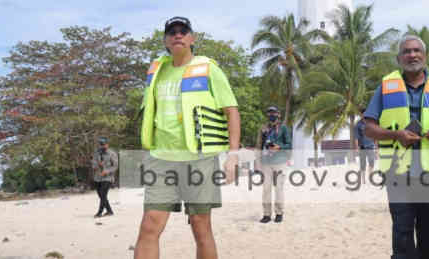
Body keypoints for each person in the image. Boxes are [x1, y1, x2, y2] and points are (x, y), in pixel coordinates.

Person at [134, 17, 241, 259]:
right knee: (149, 225)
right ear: (165, 41)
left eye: (183, 31)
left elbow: (231, 110)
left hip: (199, 159)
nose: (178, 35)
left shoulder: (208, 69)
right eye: (172, 32)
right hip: (161, 160)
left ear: (192, 38)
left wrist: (232, 156)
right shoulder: (157, 71)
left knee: (200, 226)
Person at [364, 34, 429, 259]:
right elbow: (369, 128)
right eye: (406, 51)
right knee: (402, 237)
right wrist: (396, 135)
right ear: (399, 58)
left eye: (416, 50)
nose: (412, 55)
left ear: (425, 55)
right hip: (398, 174)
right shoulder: (386, 86)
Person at [255, 105, 291, 223]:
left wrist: (279, 147)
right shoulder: (263, 128)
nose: (271, 115)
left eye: (273, 113)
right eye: (269, 113)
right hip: (266, 162)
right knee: (266, 189)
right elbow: (259, 145)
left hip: (280, 162)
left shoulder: (284, 128)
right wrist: (257, 162)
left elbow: (289, 145)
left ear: (278, 114)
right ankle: (266, 214)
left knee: (279, 189)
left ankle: (279, 213)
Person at [92, 137, 119, 217]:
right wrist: (96, 166)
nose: (102, 146)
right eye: (101, 144)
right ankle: (109, 211)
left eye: (103, 144)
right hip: (98, 177)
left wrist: (106, 171)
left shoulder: (112, 154)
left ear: (107, 144)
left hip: (108, 178)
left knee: (103, 194)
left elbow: (115, 166)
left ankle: (99, 212)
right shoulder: (96, 153)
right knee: (101, 195)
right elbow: (93, 163)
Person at [355, 108, 376, 183]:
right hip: (362, 147)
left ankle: (370, 177)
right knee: (363, 164)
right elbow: (356, 138)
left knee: (372, 163)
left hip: (371, 146)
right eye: (362, 114)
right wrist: (357, 148)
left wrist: (376, 147)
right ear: (361, 115)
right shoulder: (358, 124)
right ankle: (363, 180)